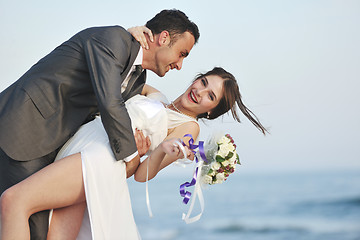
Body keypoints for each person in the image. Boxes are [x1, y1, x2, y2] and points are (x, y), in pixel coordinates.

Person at [0, 67, 267, 239]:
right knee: (55, 236)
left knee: (13, 201)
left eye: (210, 95)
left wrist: (157, 151)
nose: (199, 91)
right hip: (78, 149)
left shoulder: (189, 127)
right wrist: (133, 34)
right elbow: (120, 74)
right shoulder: (156, 95)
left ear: (211, 110)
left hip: (97, 162)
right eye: (203, 82)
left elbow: (141, 175)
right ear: (196, 78)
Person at [0, 9, 200, 239]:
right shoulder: (114, 39)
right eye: (181, 53)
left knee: (37, 227)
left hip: (55, 147)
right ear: (163, 38)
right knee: (20, 210)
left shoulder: (138, 79)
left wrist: (141, 147)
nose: (180, 64)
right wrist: (133, 156)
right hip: (24, 128)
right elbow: (110, 103)